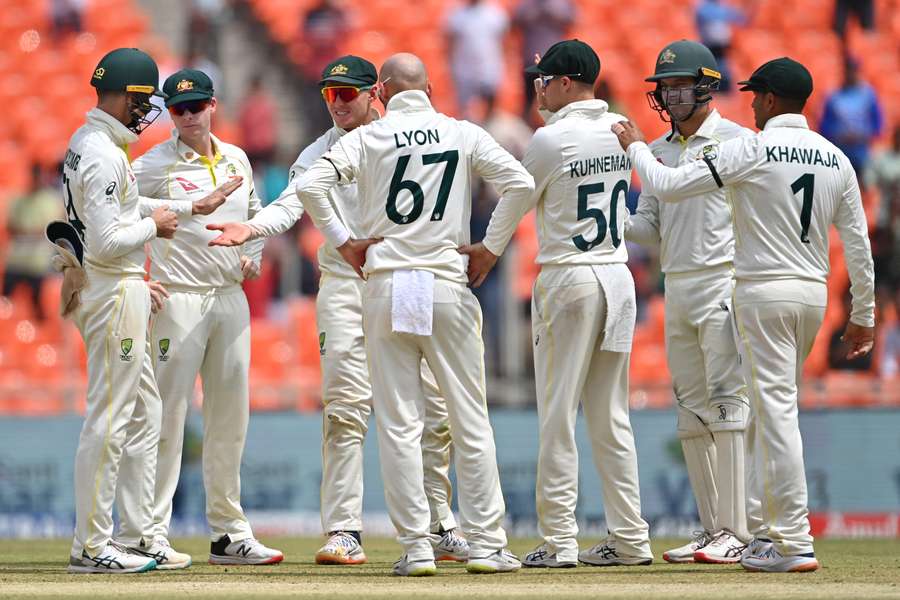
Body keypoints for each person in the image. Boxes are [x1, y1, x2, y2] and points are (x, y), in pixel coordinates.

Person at [208, 52, 535, 576]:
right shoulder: (330, 148)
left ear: (374, 93)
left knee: (431, 412)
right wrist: (256, 229)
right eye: (328, 95)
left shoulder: (373, 140)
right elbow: (295, 199)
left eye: (345, 94)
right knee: (346, 406)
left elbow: (307, 195)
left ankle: (436, 525)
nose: (336, 104)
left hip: (388, 280)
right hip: (350, 281)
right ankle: (345, 527)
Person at [613, 57, 876, 572]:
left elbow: (666, 187)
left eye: (757, 96)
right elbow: (858, 243)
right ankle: (756, 533)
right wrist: (864, 311)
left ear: (773, 100)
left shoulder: (750, 148)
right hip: (812, 294)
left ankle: (793, 541)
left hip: (761, 292)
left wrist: (635, 148)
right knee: (768, 412)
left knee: (774, 414)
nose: (751, 103)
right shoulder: (835, 157)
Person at [462, 39, 653, 569]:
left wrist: (488, 251)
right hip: (617, 276)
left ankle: (561, 539)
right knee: (611, 416)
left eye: (543, 79)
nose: (536, 87)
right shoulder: (621, 130)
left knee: (558, 415)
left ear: (566, 83)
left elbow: (516, 196)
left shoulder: (551, 138)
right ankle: (632, 539)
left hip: (569, 276)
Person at [132, 69, 284, 567]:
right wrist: (139, 274)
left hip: (229, 297)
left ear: (213, 104)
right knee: (166, 417)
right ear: (170, 114)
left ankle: (228, 533)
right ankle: (147, 533)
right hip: (178, 298)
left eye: (196, 105)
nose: (189, 116)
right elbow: (117, 206)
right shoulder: (154, 162)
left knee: (229, 418)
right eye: (179, 109)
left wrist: (254, 256)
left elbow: (257, 212)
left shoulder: (237, 156)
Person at [626, 40, 754, 564]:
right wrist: (603, 221)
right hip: (676, 284)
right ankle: (711, 529)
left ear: (706, 85)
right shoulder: (658, 150)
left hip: (722, 281)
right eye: (665, 87)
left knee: (727, 403)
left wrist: (633, 152)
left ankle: (738, 529)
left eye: (679, 85)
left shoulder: (737, 140)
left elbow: (672, 188)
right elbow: (649, 227)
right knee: (690, 413)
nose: (671, 95)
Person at [60, 47, 179, 574]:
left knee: (143, 411)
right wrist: (158, 226)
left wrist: (178, 209)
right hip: (112, 290)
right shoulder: (104, 153)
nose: (144, 113)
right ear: (124, 96)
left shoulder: (92, 144)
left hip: (117, 285)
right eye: (140, 101)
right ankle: (92, 546)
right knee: (110, 417)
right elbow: (108, 241)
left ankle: (136, 534)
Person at [4, 163, 65, 320]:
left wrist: (28, 232)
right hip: (16, 260)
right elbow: (11, 227)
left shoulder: (51, 201)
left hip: (38, 263)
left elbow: (51, 229)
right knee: (6, 302)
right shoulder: (18, 199)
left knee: (38, 306)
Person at [819, 57, 884, 186]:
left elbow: (878, 125)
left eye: (853, 71)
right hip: (839, 153)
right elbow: (823, 127)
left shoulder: (868, 95)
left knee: (864, 188)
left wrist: (861, 135)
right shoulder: (834, 96)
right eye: (847, 71)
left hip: (862, 153)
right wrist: (840, 136)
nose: (850, 74)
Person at [444, 0, 509, 118]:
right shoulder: (457, 13)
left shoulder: (494, 12)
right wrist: (451, 66)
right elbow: (449, 42)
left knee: (490, 104)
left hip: (488, 67)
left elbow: (505, 40)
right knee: (464, 110)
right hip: (464, 69)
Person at [512, 0, 576, 118]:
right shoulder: (526, 4)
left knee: (557, 97)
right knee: (528, 100)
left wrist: (551, 13)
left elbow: (572, 19)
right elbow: (514, 21)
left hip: (554, 60)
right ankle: (527, 129)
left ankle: (558, 126)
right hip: (531, 58)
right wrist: (534, 14)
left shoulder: (560, 3)